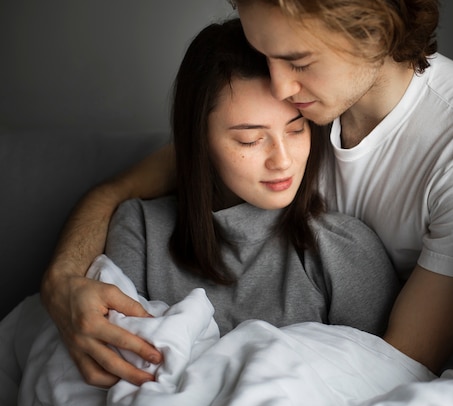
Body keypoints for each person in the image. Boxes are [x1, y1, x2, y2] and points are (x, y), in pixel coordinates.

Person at [40, 0, 453, 388]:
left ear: (370, 32)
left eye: (297, 60)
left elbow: (398, 364)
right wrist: (61, 281)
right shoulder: (299, 101)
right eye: (265, 56)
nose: (278, 87)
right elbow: (121, 189)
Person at [104, 17, 399, 339]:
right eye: (250, 140)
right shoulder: (140, 230)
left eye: (296, 129)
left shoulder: (344, 250)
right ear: (199, 140)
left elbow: (381, 375)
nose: (283, 161)